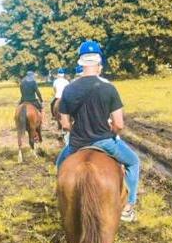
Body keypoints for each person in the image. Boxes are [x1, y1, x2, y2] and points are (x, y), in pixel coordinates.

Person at [55, 40, 141, 222]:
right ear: (99, 62)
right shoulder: (108, 88)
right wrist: (111, 131)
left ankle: (61, 198)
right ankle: (128, 207)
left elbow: (64, 124)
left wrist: (76, 129)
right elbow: (119, 123)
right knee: (134, 162)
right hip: (105, 142)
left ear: (81, 62)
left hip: (77, 144)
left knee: (59, 165)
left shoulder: (69, 89)